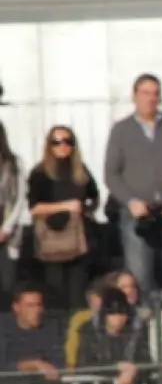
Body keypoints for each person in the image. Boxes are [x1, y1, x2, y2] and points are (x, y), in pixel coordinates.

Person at [102, 74, 162, 297]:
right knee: (139, 275)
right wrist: (130, 201)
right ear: (135, 96)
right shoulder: (121, 130)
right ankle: (145, 326)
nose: (151, 99)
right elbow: (111, 174)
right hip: (138, 214)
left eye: (155, 93)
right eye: (145, 93)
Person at [24, 125, 100, 315]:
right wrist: (66, 206)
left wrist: (87, 210)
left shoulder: (80, 171)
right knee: (55, 292)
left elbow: (94, 196)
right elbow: (34, 208)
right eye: (57, 142)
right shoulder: (40, 173)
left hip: (78, 240)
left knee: (78, 294)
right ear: (49, 146)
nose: (63, 146)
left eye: (68, 141)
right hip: (52, 239)